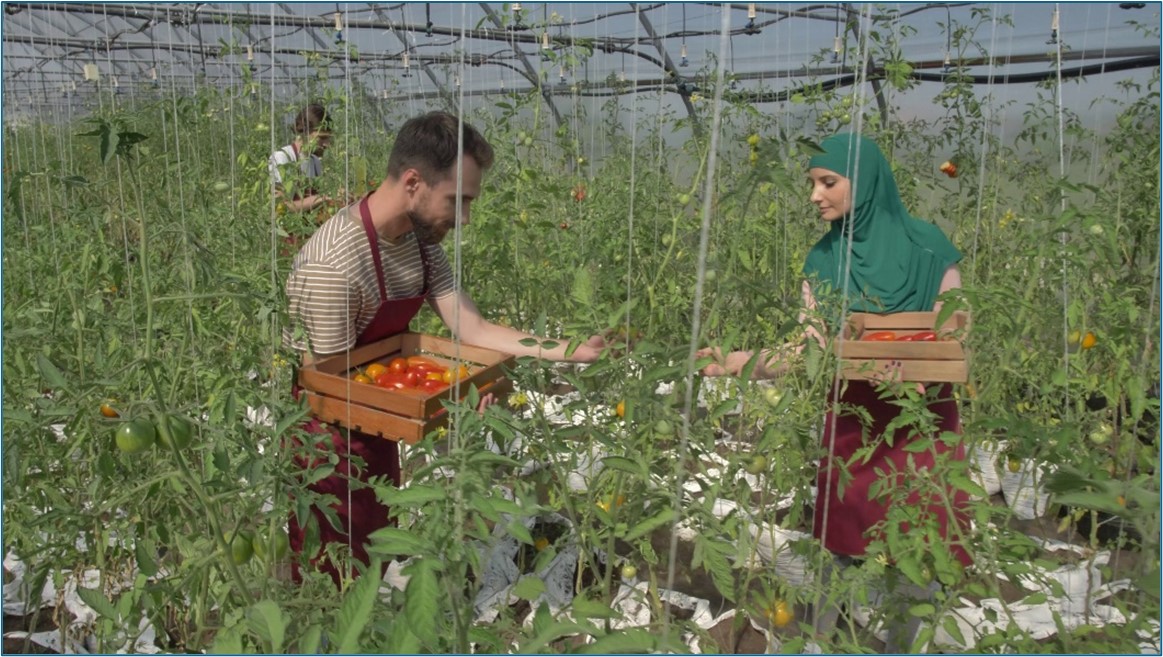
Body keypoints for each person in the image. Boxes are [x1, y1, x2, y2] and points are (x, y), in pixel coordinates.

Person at [283, 111, 607, 585]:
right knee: (329, 570)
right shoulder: (333, 265)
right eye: (458, 201)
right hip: (327, 444)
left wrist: (572, 351)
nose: (465, 218)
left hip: (378, 414)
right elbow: (330, 389)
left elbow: (471, 327)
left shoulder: (418, 241)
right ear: (413, 182)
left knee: (377, 551)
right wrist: (438, 405)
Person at [699, 133, 972, 652]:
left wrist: (918, 367)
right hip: (853, 423)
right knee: (842, 542)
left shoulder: (930, 248)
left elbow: (956, 333)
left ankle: (904, 644)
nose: (815, 196)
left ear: (864, 183)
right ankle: (824, 644)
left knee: (920, 542)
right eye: (812, 184)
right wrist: (736, 363)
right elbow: (809, 350)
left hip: (924, 425)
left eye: (828, 182)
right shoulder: (824, 260)